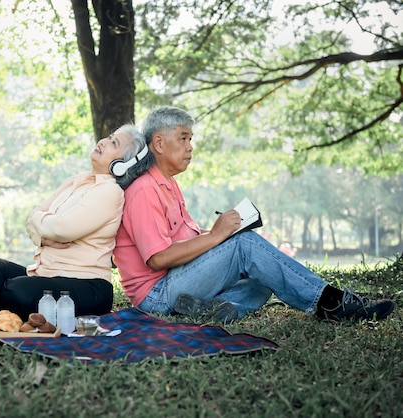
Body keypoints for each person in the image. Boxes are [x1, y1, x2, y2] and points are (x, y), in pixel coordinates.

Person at [113, 106, 395, 324]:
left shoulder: (169, 184)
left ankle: (214, 310)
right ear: (159, 144)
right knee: (246, 244)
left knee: (265, 278)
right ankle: (331, 302)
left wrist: (218, 237)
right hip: (158, 294)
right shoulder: (144, 190)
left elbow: (181, 243)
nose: (190, 147)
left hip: (178, 283)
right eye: (183, 138)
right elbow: (158, 258)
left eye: (191, 139)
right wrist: (217, 236)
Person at [0, 124, 150, 328]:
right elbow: (32, 216)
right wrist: (43, 236)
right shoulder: (77, 180)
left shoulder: (110, 192)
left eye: (113, 143)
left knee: (18, 290)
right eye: (108, 137)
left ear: (122, 165)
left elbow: (62, 229)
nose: (103, 142)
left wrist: (42, 222)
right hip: (44, 275)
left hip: (88, 287)